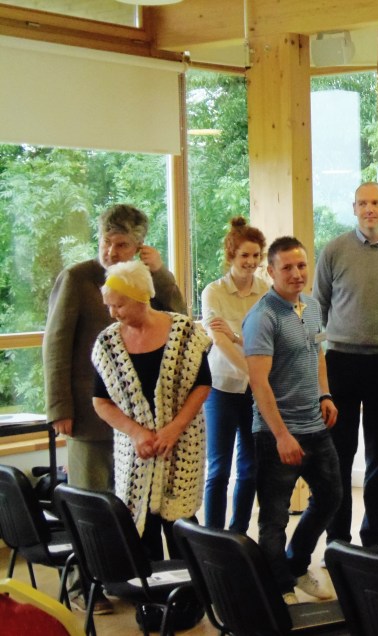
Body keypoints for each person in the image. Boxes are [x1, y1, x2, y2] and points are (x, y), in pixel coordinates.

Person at [42, 203, 186, 612]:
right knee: (89, 504)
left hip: (140, 420)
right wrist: (58, 407)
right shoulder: (78, 278)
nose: (110, 251)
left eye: (121, 244)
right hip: (88, 418)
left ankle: (124, 581)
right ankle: (81, 585)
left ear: (139, 247)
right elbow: (55, 344)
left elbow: (180, 324)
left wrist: (161, 274)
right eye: (106, 241)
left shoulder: (147, 280)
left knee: (128, 507)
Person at [313, 182, 378, 551]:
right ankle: (337, 540)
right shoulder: (334, 250)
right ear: (354, 208)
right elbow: (316, 305)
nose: (369, 209)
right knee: (338, 457)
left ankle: (373, 542)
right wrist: (315, 354)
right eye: (362, 203)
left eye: (375, 202)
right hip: (341, 362)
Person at [243, 236, 342, 604]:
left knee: (331, 498)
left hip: (315, 426)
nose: (297, 273)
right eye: (287, 267)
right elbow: (258, 382)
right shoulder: (262, 317)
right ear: (270, 272)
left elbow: (318, 354)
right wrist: (281, 435)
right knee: (274, 518)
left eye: (301, 265)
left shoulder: (312, 306)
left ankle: (297, 566)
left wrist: (324, 394)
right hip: (276, 434)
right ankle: (279, 587)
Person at [91, 260, 210, 561]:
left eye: (118, 305)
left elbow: (202, 385)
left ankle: (191, 587)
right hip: (135, 452)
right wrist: (137, 433)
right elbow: (101, 402)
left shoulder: (184, 333)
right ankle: (151, 589)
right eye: (109, 306)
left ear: (140, 298)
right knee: (141, 529)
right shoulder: (108, 344)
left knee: (182, 528)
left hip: (182, 445)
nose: (112, 313)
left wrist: (174, 429)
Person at [201, 217, 269, 533]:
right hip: (221, 388)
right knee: (218, 469)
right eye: (244, 255)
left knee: (250, 468)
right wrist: (254, 371)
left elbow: (265, 339)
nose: (251, 262)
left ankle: (237, 534)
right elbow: (220, 341)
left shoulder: (265, 292)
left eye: (256, 255)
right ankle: (213, 536)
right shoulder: (213, 292)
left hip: (255, 391)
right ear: (231, 255)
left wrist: (238, 337)